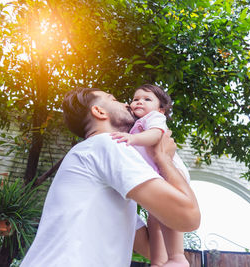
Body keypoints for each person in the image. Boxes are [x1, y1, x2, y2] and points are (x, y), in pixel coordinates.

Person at [19, 87, 200, 267]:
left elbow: (150, 247)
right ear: (99, 111)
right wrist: (164, 159)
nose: (128, 104)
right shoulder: (107, 143)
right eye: (114, 100)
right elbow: (188, 217)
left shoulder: (97, 165)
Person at [111, 84, 190, 267]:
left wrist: (133, 139)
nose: (139, 102)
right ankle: (159, 261)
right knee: (155, 218)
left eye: (147, 99)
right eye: (135, 99)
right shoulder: (134, 125)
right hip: (157, 174)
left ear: (161, 110)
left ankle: (178, 257)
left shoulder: (154, 118)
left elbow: (155, 135)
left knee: (169, 214)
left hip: (169, 172)